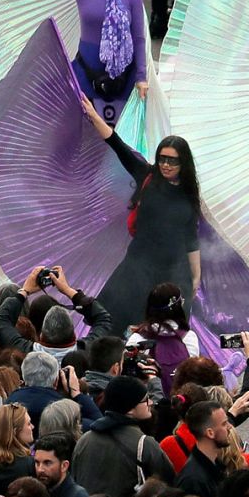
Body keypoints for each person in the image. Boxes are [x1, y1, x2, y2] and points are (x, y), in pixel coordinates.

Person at [80, 99, 201, 328]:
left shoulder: (189, 194)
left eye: (172, 161)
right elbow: (119, 146)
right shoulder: (147, 175)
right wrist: (95, 117)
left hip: (173, 273)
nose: (165, 165)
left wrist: (196, 276)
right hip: (137, 267)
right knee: (110, 325)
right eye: (162, 158)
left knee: (166, 333)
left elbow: (191, 237)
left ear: (183, 163)